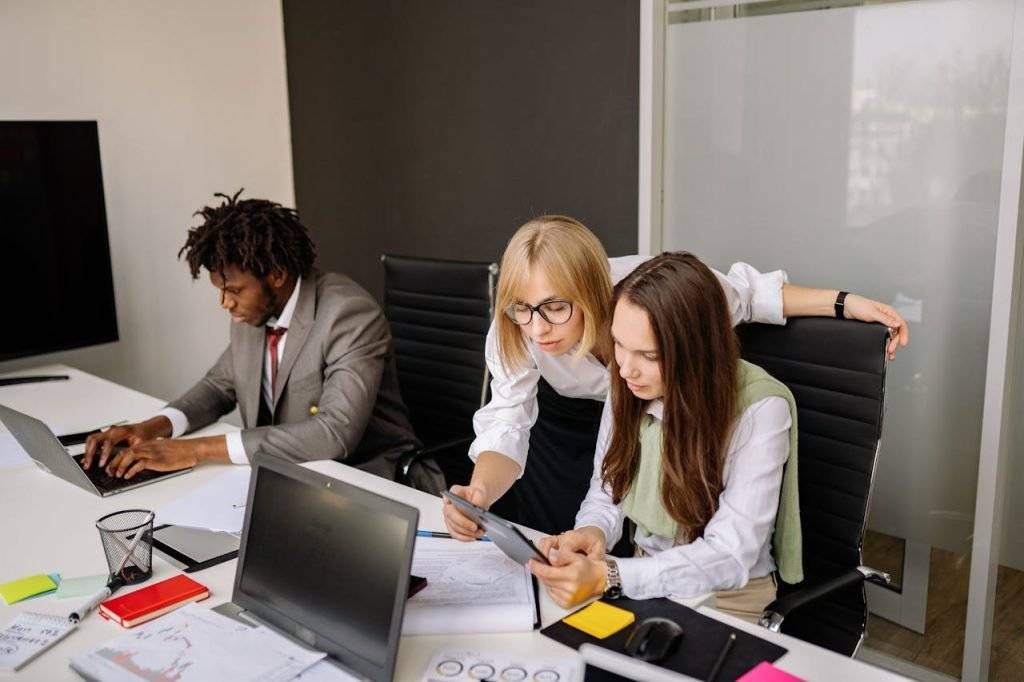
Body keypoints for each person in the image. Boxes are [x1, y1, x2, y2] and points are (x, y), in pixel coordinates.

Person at [442, 215, 908, 541]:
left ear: (592, 290)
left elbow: (750, 296)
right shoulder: (517, 327)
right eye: (523, 308)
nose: (538, 327)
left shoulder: (655, 297)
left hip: (651, 419)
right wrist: (479, 492)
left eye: (556, 307)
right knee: (574, 537)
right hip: (566, 428)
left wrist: (846, 303)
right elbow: (508, 424)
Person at [530, 252, 801, 622]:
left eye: (649, 355)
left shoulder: (760, 409)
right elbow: (609, 486)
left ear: (697, 350)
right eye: (619, 345)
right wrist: (591, 531)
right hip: (641, 581)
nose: (625, 367)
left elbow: (731, 553)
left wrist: (611, 575)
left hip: (727, 599)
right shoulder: (627, 381)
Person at [82, 190, 421, 482]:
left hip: (366, 477)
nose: (225, 302)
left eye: (234, 290)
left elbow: (333, 434)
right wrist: (153, 427)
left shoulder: (347, 314)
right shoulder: (253, 312)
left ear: (276, 274)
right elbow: (218, 387)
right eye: (221, 290)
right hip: (287, 476)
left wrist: (196, 450)